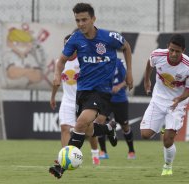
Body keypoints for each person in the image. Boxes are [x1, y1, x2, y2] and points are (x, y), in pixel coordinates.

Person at [49, 3, 133, 179]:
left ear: (93, 19)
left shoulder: (109, 36)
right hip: (83, 92)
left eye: (84, 19)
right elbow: (62, 60)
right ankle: (108, 129)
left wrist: (129, 74)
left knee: (79, 124)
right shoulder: (75, 39)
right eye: (77, 20)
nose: (81, 23)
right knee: (87, 131)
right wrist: (57, 74)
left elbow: (126, 47)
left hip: (101, 91)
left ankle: (61, 168)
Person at [140, 34, 189, 176]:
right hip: (158, 100)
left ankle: (167, 166)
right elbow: (149, 64)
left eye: (177, 51)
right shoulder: (157, 55)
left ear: (183, 51)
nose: (173, 54)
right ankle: (164, 126)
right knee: (145, 134)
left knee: (167, 140)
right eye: (171, 50)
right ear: (168, 47)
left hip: (177, 103)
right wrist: (147, 80)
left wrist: (180, 98)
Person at [50, 34, 100, 166]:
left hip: (84, 100)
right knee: (65, 128)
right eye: (67, 45)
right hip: (67, 100)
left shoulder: (83, 60)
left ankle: (95, 153)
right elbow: (56, 82)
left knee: (89, 131)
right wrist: (53, 97)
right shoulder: (59, 62)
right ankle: (65, 159)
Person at [98, 58, 136, 160]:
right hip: (105, 99)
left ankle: (131, 151)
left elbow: (127, 80)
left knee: (125, 126)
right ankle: (103, 151)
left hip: (120, 100)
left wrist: (119, 86)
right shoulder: (99, 61)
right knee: (100, 123)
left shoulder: (120, 62)